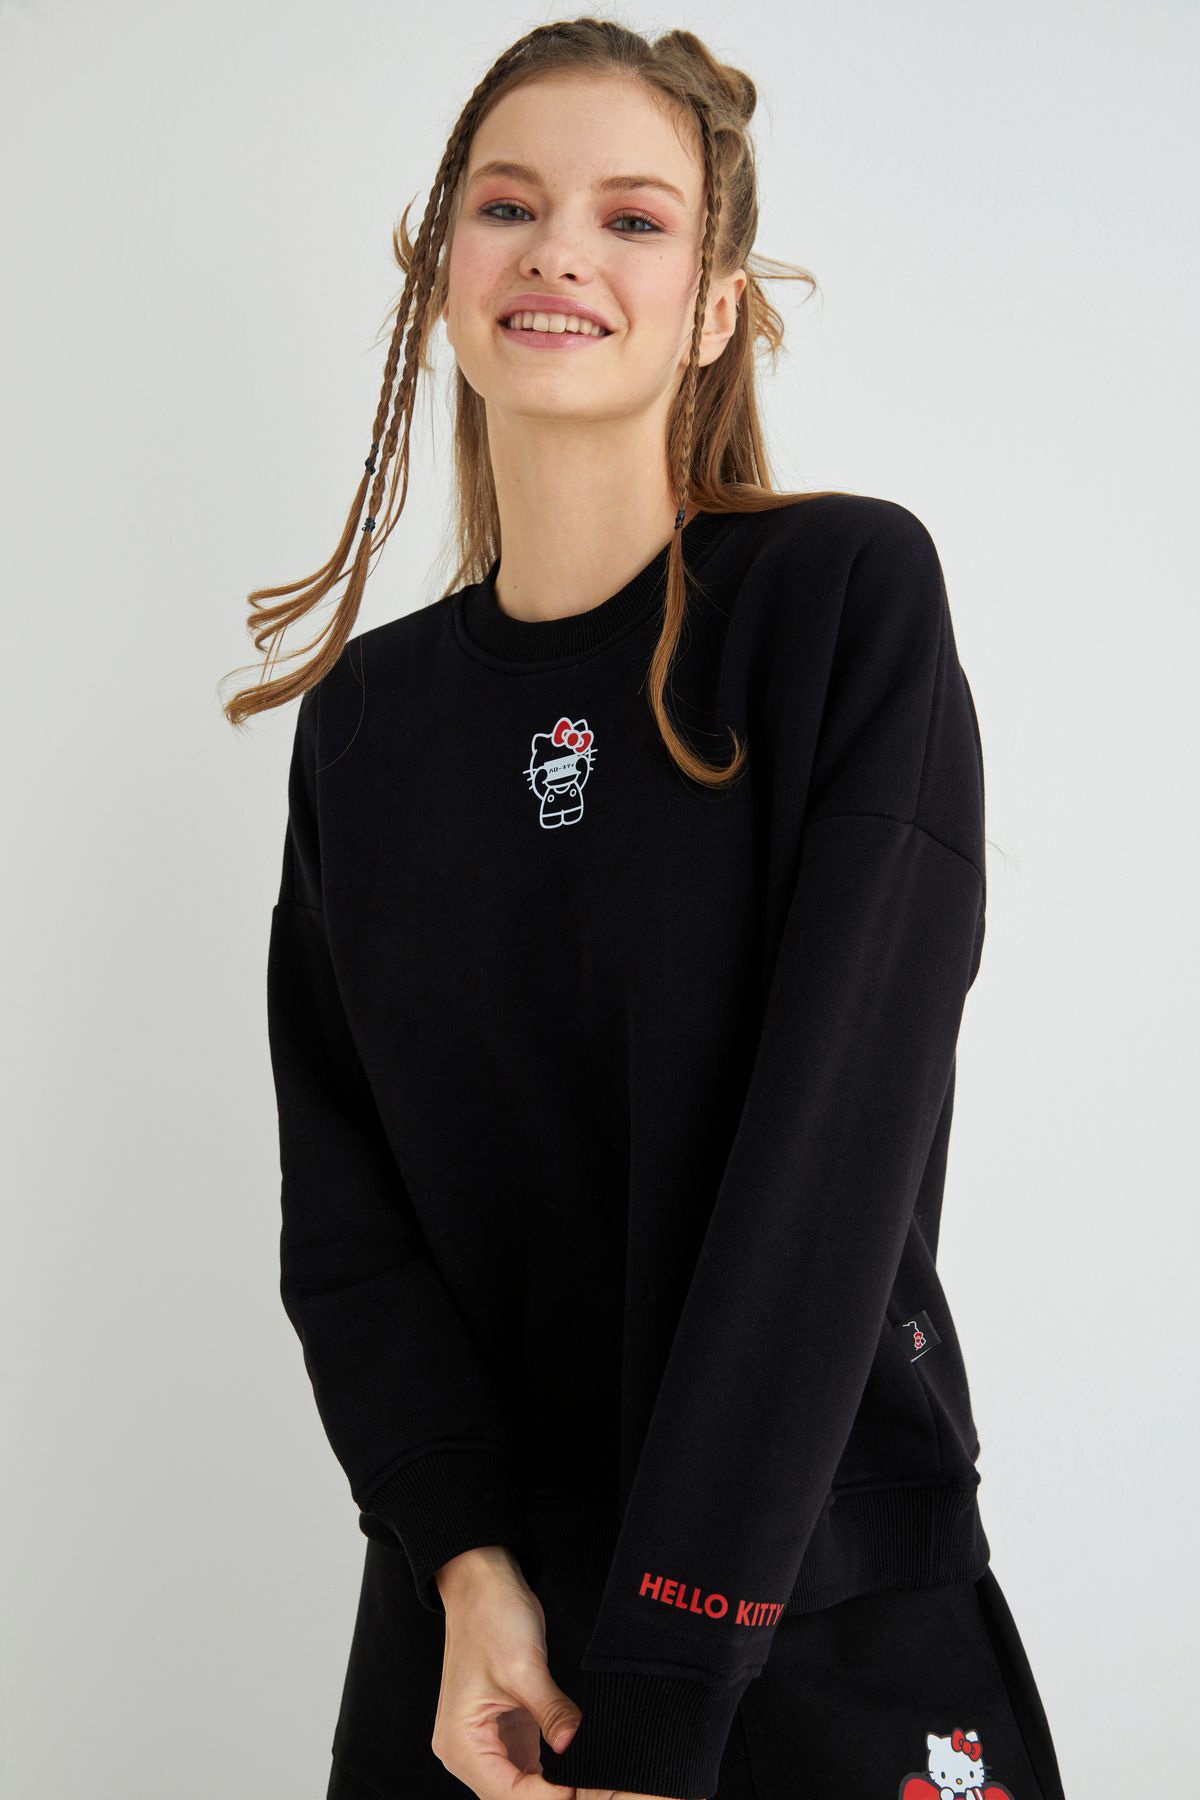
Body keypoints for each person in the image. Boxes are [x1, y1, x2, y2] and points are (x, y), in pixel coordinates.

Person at [223, 18, 1067, 1800]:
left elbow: (829, 1161)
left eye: (632, 219)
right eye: (507, 206)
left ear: (713, 308)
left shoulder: (840, 605)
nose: (558, 252)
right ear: (439, 277)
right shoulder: (366, 726)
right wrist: (464, 1571)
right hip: (484, 1664)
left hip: (806, 1618)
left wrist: (670, 1683)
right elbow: (347, 1216)